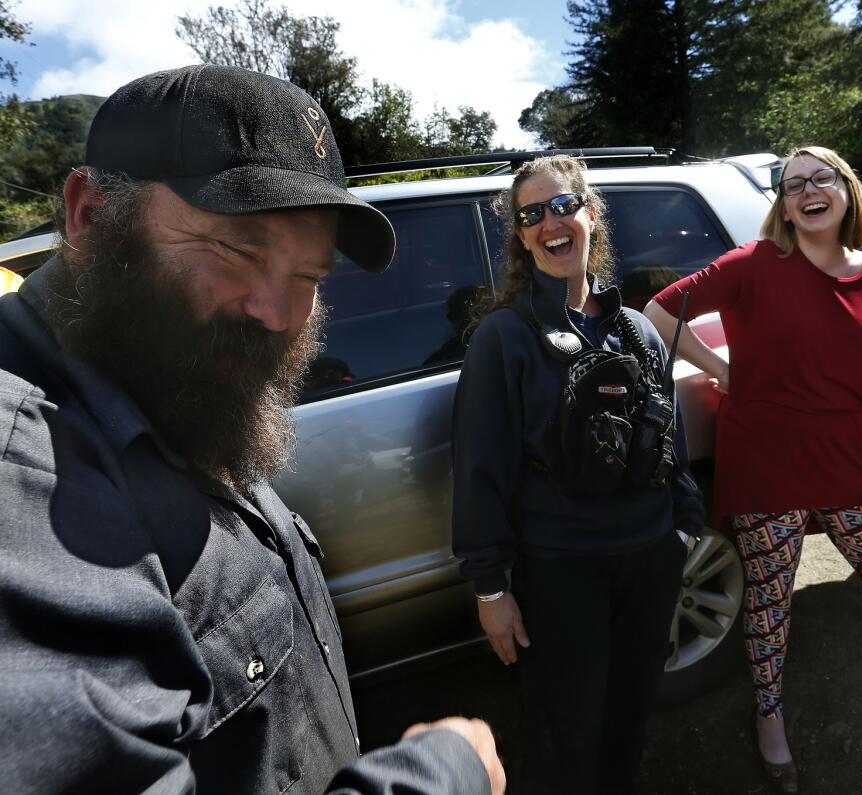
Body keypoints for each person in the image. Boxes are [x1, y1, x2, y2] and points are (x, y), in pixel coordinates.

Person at [0, 65, 503, 795]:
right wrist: (439, 777)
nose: (278, 312)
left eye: (309, 275)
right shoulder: (24, 468)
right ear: (90, 216)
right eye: (238, 250)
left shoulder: (175, 380)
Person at [645, 146, 862, 794]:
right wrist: (720, 368)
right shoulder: (752, 265)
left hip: (845, 459)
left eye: (820, 177)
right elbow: (660, 313)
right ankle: (769, 712)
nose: (807, 189)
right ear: (783, 204)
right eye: (792, 183)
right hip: (765, 460)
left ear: (846, 190)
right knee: (771, 597)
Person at [451, 154, 704, 795]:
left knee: (628, 718)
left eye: (563, 205)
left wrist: (683, 530)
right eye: (531, 215)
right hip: (561, 569)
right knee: (562, 731)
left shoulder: (637, 328)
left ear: (591, 213)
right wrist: (490, 588)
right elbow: (479, 469)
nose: (549, 222)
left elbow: (667, 438)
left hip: (648, 559)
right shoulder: (504, 338)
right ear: (521, 237)